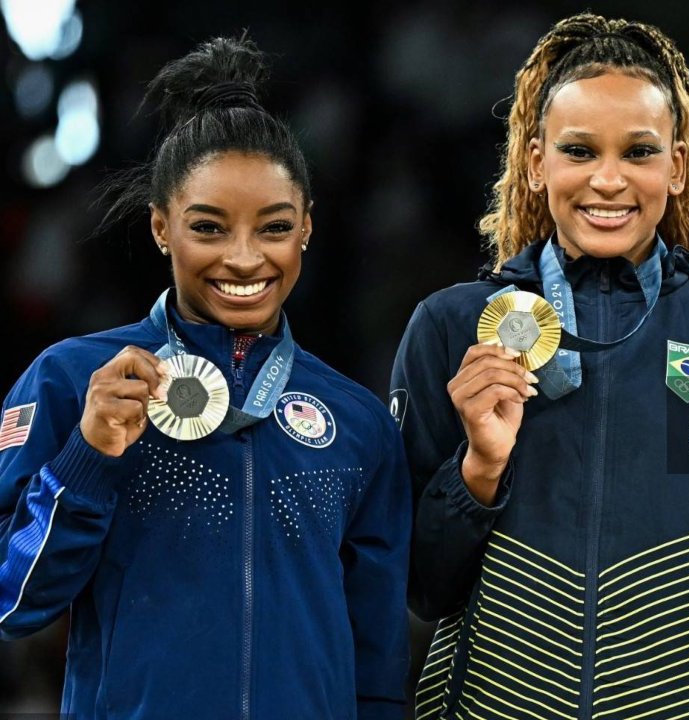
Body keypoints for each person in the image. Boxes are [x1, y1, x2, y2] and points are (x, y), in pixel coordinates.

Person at [391, 12, 689, 719]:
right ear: (536, 164)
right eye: (579, 151)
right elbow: (419, 587)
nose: (608, 180)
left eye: (638, 152)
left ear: (678, 166)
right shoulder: (451, 330)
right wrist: (476, 472)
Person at [0, 37, 410, 719]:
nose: (245, 259)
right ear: (162, 227)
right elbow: (13, 599)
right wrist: (87, 458)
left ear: (306, 228)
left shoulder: (358, 422)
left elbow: (376, 664)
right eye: (209, 228)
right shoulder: (72, 381)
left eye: (273, 227)